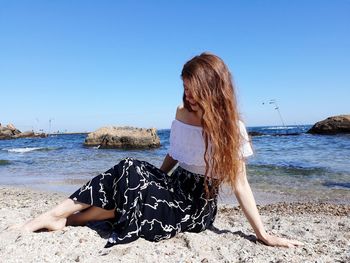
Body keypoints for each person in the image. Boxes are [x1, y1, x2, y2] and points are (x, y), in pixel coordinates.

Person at [16, 52, 303, 248]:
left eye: (193, 89)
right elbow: (176, 153)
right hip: (173, 185)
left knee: (132, 192)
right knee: (129, 171)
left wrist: (262, 234)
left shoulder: (232, 129)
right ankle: (57, 215)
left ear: (212, 88)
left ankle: (65, 219)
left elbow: (241, 185)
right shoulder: (181, 112)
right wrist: (149, 179)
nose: (188, 95)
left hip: (196, 206)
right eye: (185, 88)